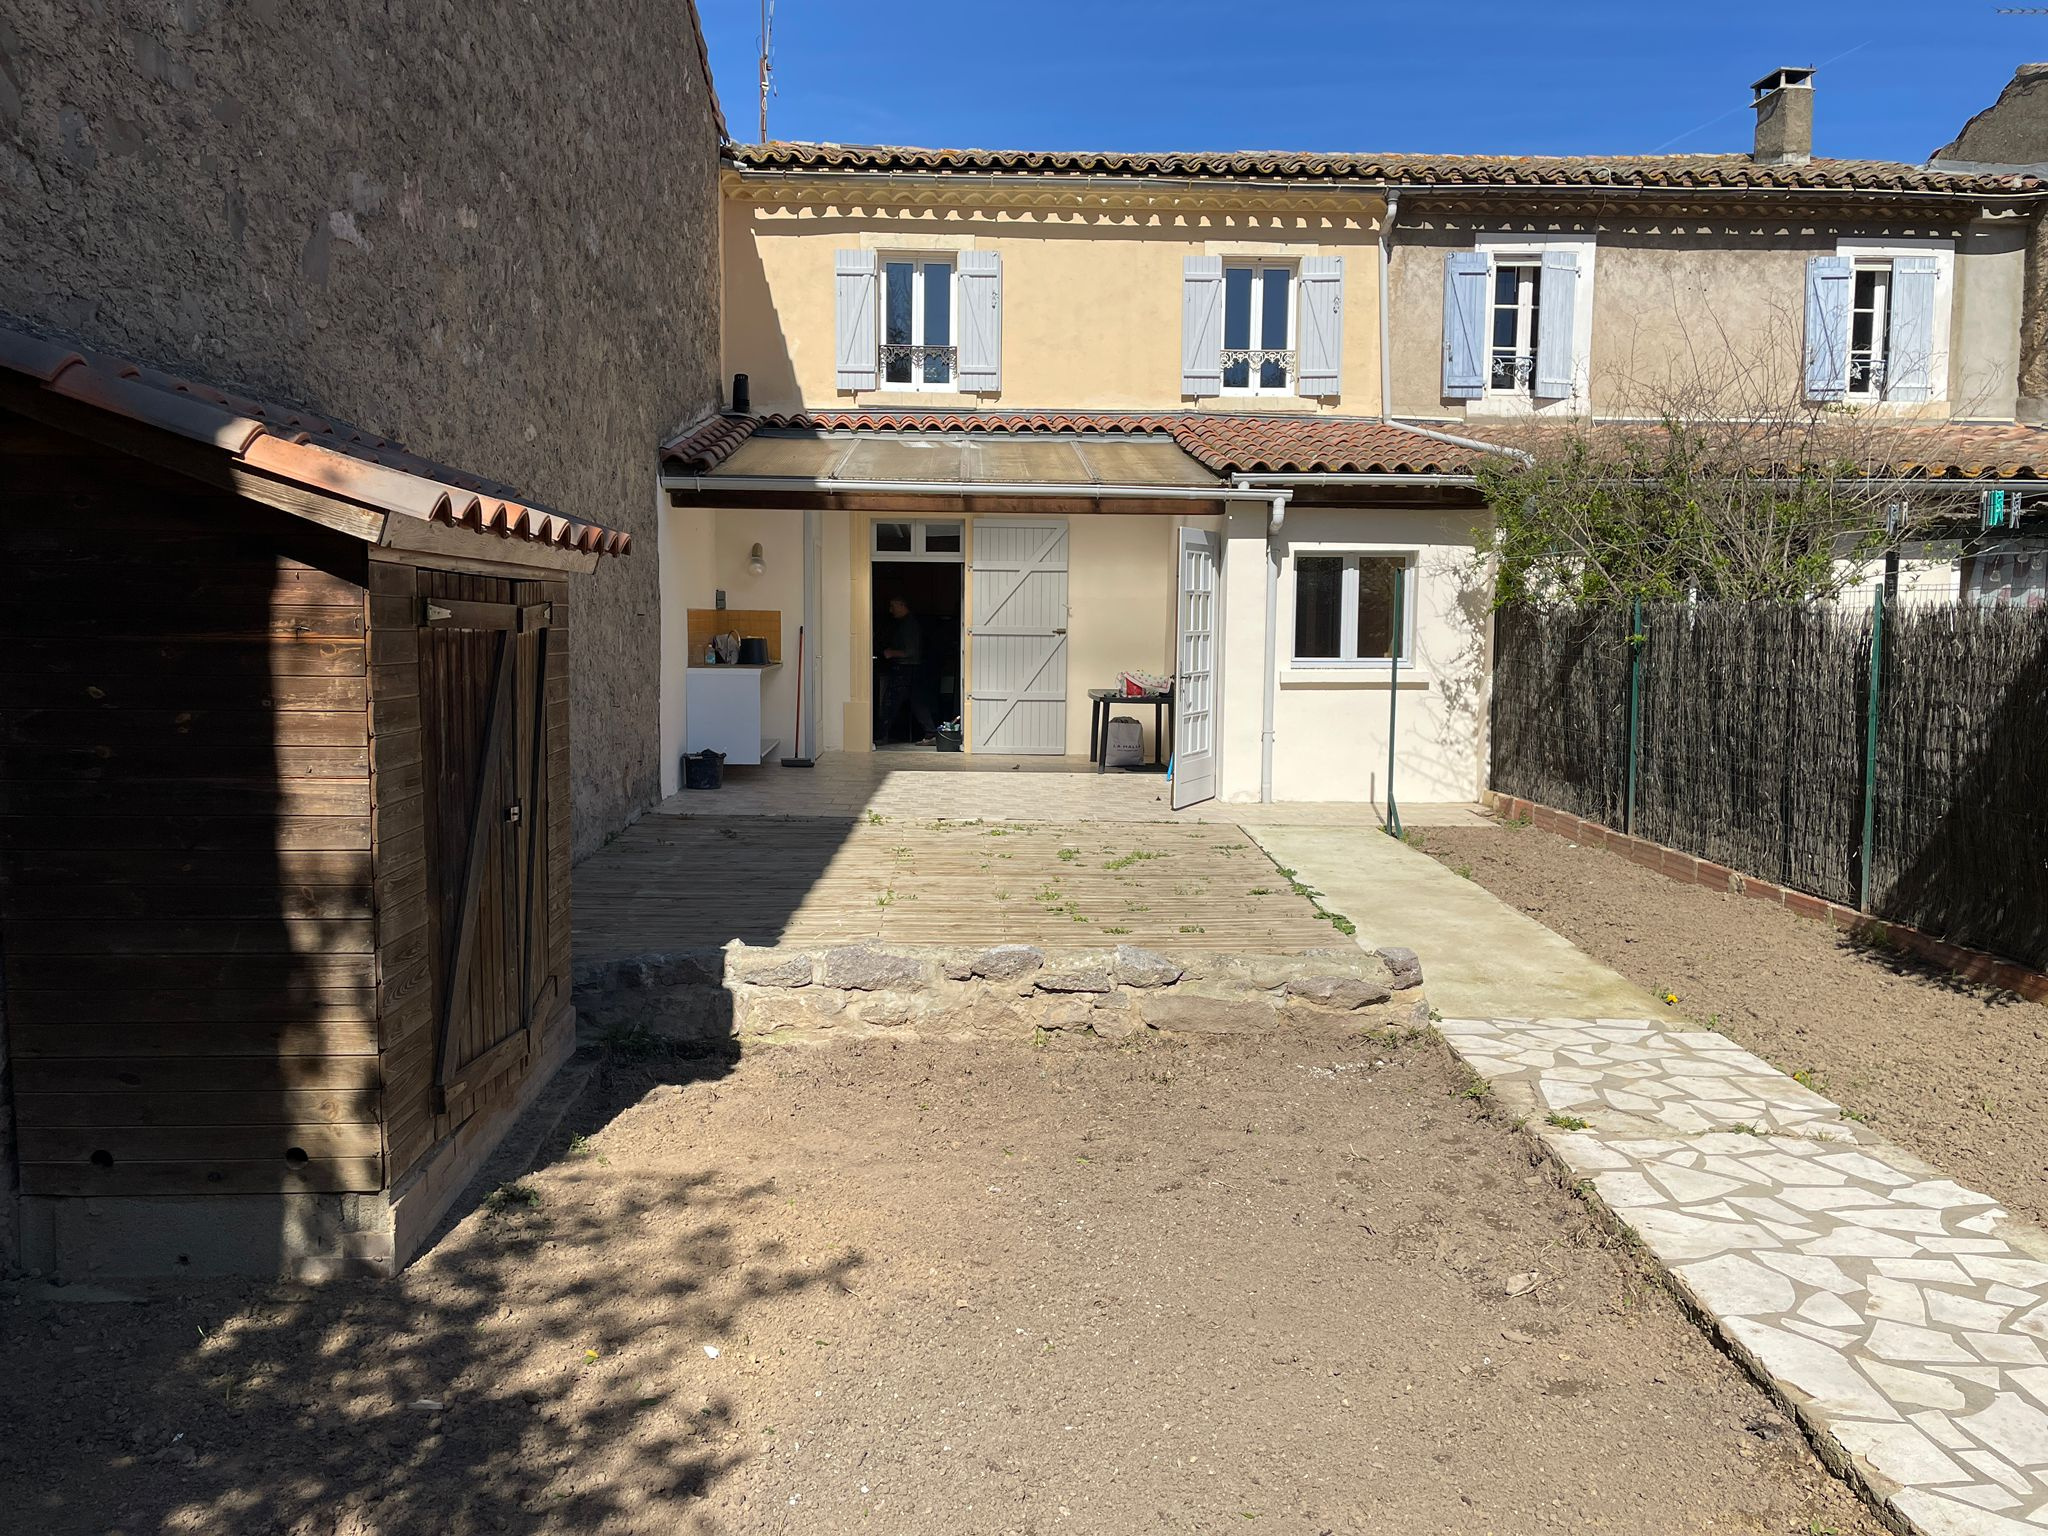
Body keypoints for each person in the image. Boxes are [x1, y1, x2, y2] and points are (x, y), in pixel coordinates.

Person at [878, 595, 935, 744]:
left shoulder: (909, 625)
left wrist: (890, 653)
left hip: (905, 668)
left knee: (890, 702)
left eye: (893, 606)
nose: (890, 610)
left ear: (902, 605)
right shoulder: (905, 623)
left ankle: (880, 735)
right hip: (911, 669)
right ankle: (930, 733)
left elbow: (911, 651)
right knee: (917, 702)